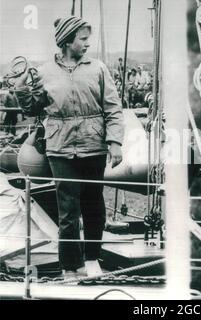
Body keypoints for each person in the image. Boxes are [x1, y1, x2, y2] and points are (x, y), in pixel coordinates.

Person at [14, 16, 124, 279]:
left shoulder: (98, 69)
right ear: (66, 41)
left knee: (94, 205)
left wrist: (115, 142)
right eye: (83, 39)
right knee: (68, 211)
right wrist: (21, 90)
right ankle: (70, 268)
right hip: (60, 148)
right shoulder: (44, 72)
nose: (87, 44)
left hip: (94, 146)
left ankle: (92, 260)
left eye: (88, 38)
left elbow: (113, 108)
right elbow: (34, 109)